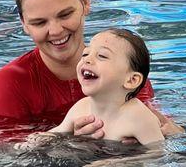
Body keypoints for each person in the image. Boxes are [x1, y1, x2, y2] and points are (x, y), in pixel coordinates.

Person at [0, 0, 183, 141]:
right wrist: (70, 142)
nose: (56, 31)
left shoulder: (122, 67)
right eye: (39, 22)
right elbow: (5, 157)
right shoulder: (10, 84)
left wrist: (174, 133)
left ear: (85, 3)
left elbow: (157, 130)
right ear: (24, 23)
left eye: (65, 14)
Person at [20, 28, 165, 147]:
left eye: (102, 56)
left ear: (132, 80)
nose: (87, 59)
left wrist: (119, 165)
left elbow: (157, 155)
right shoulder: (81, 107)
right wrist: (36, 141)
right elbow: (59, 132)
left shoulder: (139, 118)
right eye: (86, 53)